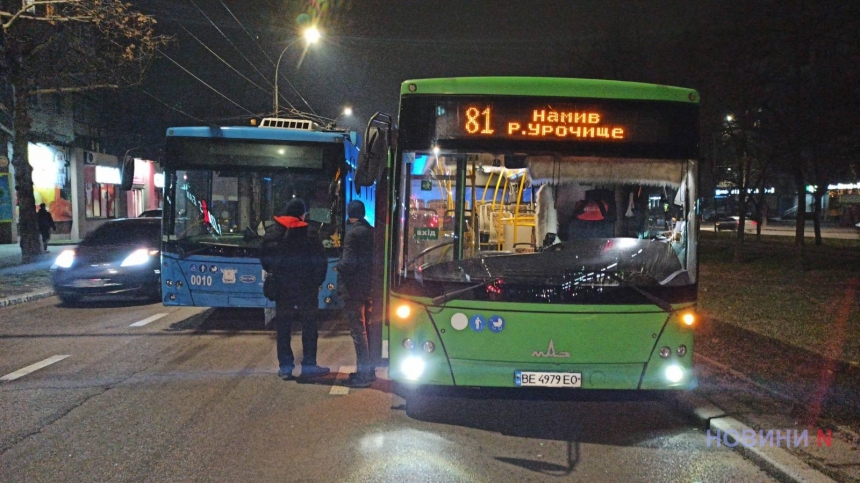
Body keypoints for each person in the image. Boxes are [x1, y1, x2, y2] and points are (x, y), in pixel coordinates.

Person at [261, 198, 330, 381]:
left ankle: (285, 367)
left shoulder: (272, 232)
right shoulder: (310, 233)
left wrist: (275, 273)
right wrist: (316, 281)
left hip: (282, 287)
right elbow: (320, 261)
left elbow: (265, 259)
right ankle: (309, 366)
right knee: (309, 326)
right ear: (302, 213)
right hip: (306, 288)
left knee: (283, 327)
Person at [337, 200, 375, 388]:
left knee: (358, 332)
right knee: (368, 330)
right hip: (368, 288)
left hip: (353, 290)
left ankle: (364, 374)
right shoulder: (371, 231)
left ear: (349, 213)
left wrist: (338, 267)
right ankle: (369, 371)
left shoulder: (352, 234)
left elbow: (348, 263)